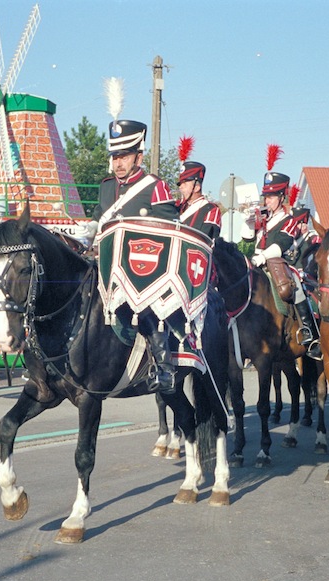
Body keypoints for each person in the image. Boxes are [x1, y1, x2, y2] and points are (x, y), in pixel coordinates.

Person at [86, 118, 180, 392]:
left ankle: (163, 367)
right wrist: (86, 232)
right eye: (115, 156)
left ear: (139, 156)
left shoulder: (154, 186)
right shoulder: (105, 186)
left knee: (149, 308)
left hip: (140, 270)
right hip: (105, 265)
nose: (118, 163)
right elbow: (96, 220)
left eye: (124, 156)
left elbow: (171, 229)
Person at [242, 144, 321, 360]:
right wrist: (248, 223)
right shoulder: (263, 220)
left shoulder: (289, 220)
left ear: (282, 197)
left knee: (294, 286)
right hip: (257, 264)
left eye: (271, 196)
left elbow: (280, 246)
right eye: (265, 196)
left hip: (280, 264)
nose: (266, 200)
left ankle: (310, 332)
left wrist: (262, 257)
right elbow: (247, 241)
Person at [176, 136, 222, 240]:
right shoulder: (177, 207)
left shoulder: (211, 209)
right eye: (180, 184)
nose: (181, 187)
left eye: (185, 183)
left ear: (196, 187)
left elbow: (207, 239)